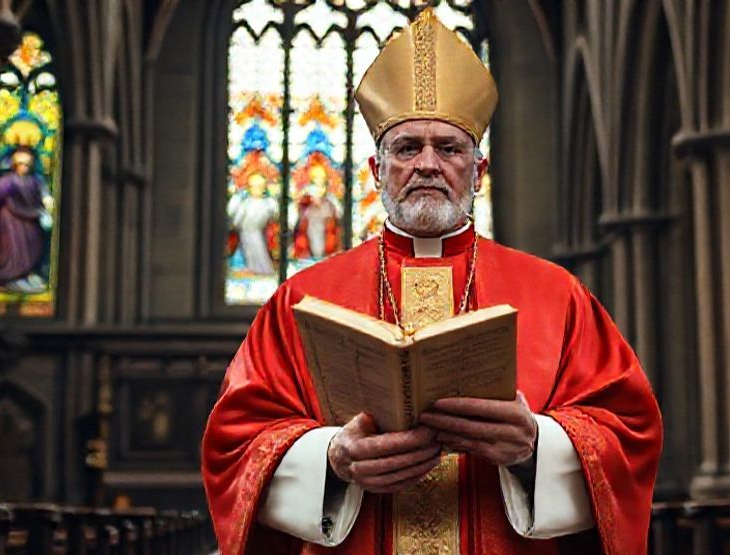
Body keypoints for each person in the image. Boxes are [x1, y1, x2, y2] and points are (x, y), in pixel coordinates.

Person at [202, 9, 662, 555]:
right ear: (375, 170)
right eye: (406, 148)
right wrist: (331, 458)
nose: (427, 164)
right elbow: (235, 443)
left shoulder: (556, 294)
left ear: (478, 171)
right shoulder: (300, 298)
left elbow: (629, 432)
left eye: (448, 148)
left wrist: (538, 445)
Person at [0, 148, 51, 291]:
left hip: (31, 219)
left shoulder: (35, 181)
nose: (23, 167)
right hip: (10, 220)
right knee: (12, 250)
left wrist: (47, 200)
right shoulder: (8, 180)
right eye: (20, 164)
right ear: (14, 164)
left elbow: (44, 193)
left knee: (33, 246)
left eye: (26, 164)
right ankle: (10, 277)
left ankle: (25, 274)